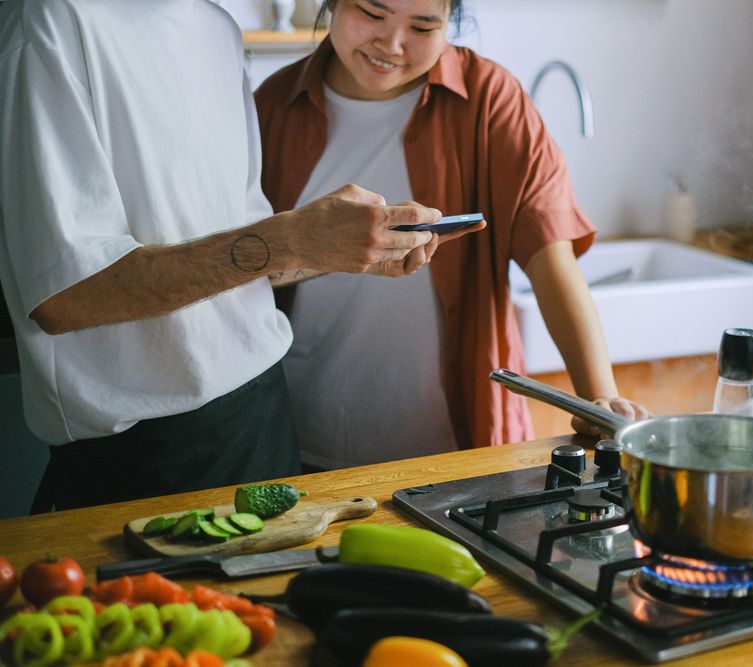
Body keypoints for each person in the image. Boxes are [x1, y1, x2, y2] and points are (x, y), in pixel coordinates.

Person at [0, 0, 471, 510]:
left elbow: (243, 255)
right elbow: (64, 296)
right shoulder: (54, 20)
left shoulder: (219, 30)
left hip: (263, 414)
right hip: (141, 451)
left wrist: (338, 250)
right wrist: (292, 238)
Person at [255, 0, 650, 470]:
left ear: (451, 24)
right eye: (373, 14)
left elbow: (550, 257)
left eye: (423, 26)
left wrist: (599, 399)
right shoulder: (272, 107)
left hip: (459, 448)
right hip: (300, 435)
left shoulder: (489, 99)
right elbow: (243, 269)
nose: (393, 44)